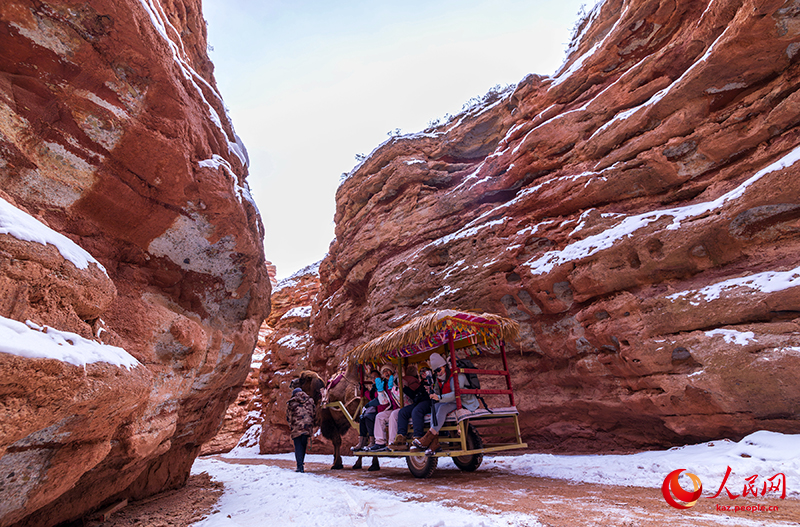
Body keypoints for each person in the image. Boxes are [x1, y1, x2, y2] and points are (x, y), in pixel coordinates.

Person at [411, 352, 479, 455]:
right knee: (435, 406)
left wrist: (439, 397)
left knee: (442, 408)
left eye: (439, 370)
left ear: (445, 366)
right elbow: (439, 394)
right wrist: (432, 392)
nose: (438, 373)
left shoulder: (455, 376)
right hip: (451, 401)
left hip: (464, 401)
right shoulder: (439, 379)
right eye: (436, 371)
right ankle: (435, 443)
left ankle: (428, 437)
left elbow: (455, 394)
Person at [389, 364, 430, 451]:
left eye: (425, 370)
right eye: (421, 371)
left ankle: (418, 438)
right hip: (420, 401)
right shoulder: (421, 384)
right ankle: (401, 438)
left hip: (430, 401)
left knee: (416, 411)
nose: (423, 373)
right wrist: (404, 389)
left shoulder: (432, 380)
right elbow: (415, 395)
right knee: (403, 412)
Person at [365, 364, 399, 452]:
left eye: (388, 370)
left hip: (402, 407)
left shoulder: (398, 380)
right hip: (392, 408)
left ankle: (392, 443)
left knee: (393, 415)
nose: (386, 373)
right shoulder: (385, 384)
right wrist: (380, 391)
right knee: (380, 416)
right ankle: (380, 443)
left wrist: (394, 386)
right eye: (384, 371)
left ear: (392, 371)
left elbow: (400, 397)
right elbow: (384, 402)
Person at [286, 386, 316, 473]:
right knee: (303, 446)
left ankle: (300, 466)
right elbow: (314, 413)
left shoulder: (292, 402)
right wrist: (311, 424)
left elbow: (289, 417)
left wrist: (291, 426)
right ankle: (301, 464)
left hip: (297, 428)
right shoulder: (310, 400)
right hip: (307, 427)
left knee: (298, 447)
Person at [352, 369, 380, 452]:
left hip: (381, 408)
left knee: (368, 417)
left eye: (375, 376)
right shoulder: (374, 387)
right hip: (376, 408)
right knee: (362, 417)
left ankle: (372, 441)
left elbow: (379, 399)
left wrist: (369, 404)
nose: (373, 379)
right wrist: (364, 391)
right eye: (372, 377)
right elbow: (372, 397)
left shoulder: (380, 385)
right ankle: (362, 441)